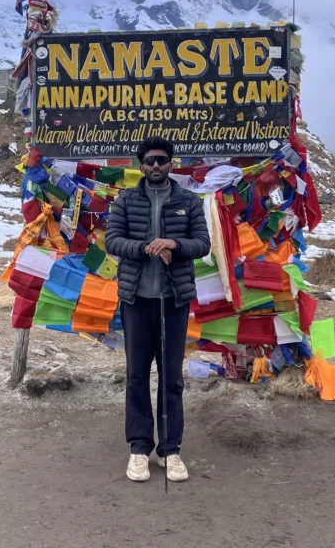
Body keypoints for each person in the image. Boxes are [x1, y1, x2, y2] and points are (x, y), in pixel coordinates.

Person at [105, 136, 211, 483]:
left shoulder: (189, 201)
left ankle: (170, 450)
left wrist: (175, 244)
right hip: (136, 299)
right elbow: (113, 240)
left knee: (171, 377)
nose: (155, 166)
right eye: (149, 160)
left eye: (162, 161)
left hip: (173, 300)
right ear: (140, 164)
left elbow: (202, 244)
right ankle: (139, 448)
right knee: (136, 375)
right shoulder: (125, 199)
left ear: (171, 164)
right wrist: (146, 247)